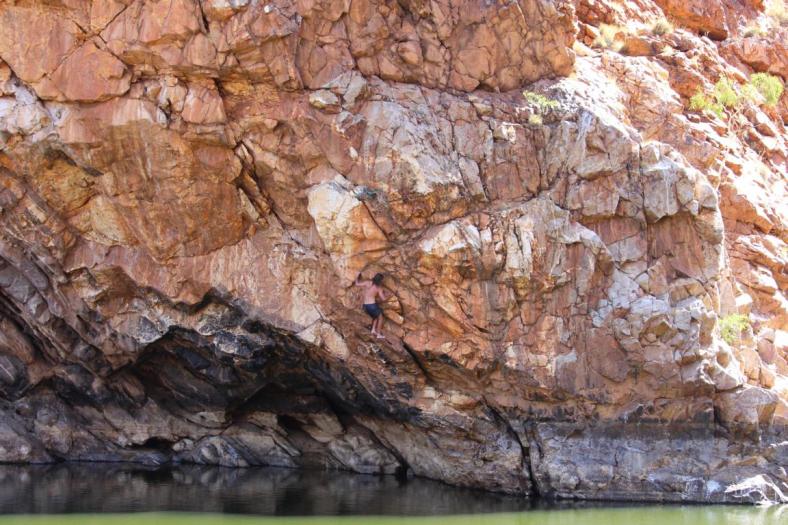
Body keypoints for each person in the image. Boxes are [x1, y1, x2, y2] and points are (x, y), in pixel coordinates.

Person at [354, 272, 390, 339]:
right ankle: (378, 334)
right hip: (372, 305)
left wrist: (357, 276)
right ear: (380, 281)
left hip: (365, 305)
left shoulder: (367, 283)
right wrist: (389, 295)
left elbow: (357, 284)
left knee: (375, 315)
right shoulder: (378, 288)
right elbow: (383, 299)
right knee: (380, 318)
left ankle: (373, 330)